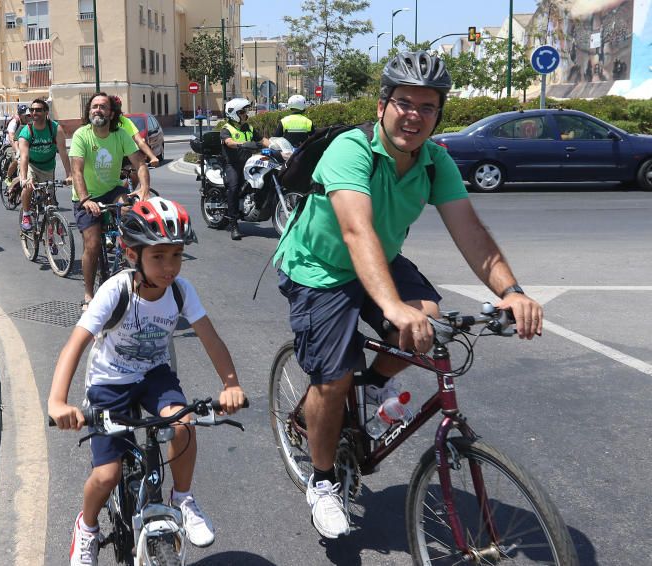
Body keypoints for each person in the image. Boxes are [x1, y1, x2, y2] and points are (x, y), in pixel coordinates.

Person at [272, 51, 544, 540]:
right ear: (383, 106)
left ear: (439, 114)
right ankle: (324, 479)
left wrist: (513, 291)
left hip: (381, 257)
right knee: (332, 381)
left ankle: (373, 383)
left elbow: (471, 231)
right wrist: (392, 306)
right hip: (319, 266)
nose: (414, 114)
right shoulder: (350, 149)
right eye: (404, 102)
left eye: (428, 106)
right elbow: (356, 231)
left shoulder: (435, 160)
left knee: (427, 323)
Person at [47, 197, 246, 566]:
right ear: (132, 254)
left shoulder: (181, 290)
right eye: (158, 256)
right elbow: (74, 346)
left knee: (183, 423)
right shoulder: (115, 291)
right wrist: (58, 402)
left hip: (154, 375)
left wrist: (230, 383)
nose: (170, 266)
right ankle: (86, 528)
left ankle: (183, 499)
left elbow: (211, 338)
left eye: (176, 255)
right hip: (109, 382)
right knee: (107, 475)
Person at [69, 92, 151, 311]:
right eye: (94, 106)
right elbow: (76, 171)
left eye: (103, 107)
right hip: (87, 196)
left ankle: (126, 252)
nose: (98, 110)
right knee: (93, 244)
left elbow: (139, 163)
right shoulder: (81, 135)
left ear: (111, 113)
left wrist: (144, 189)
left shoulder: (121, 134)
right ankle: (88, 294)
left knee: (129, 210)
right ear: (89, 112)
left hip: (112, 190)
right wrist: (85, 199)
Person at [17, 98, 71, 231]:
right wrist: (24, 179)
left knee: (50, 200)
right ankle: (26, 214)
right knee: (28, 187)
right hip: (32, 165)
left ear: (46, 112)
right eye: (32, 110)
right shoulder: (26, 131)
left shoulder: (55, 129)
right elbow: (24, 157)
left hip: (48, 166)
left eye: (39, 110)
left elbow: (63, 152)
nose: (34, 112)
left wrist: (69, 175)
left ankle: (52, 225)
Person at [219, 97, 269, 241]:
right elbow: (229, 142)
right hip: (232, 164)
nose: (245, 114)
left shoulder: (248, 128)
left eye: (245, 111)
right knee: (234, 188)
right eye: (242, 112)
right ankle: (234, 224)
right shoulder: (226, 129)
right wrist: (241, 144)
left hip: (248, 164)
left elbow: (262, 140)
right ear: (234, 113)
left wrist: (275, 146)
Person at [3, 104, 30, 188]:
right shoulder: (14, 122)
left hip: (23, 143)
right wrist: (18, 151)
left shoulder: (30, 122)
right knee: (15, 158)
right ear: (20, 116)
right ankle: (8, 177)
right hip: (10, 144)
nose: (27, 117)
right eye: (25, 115)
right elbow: (12, 138)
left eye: (28, 115)